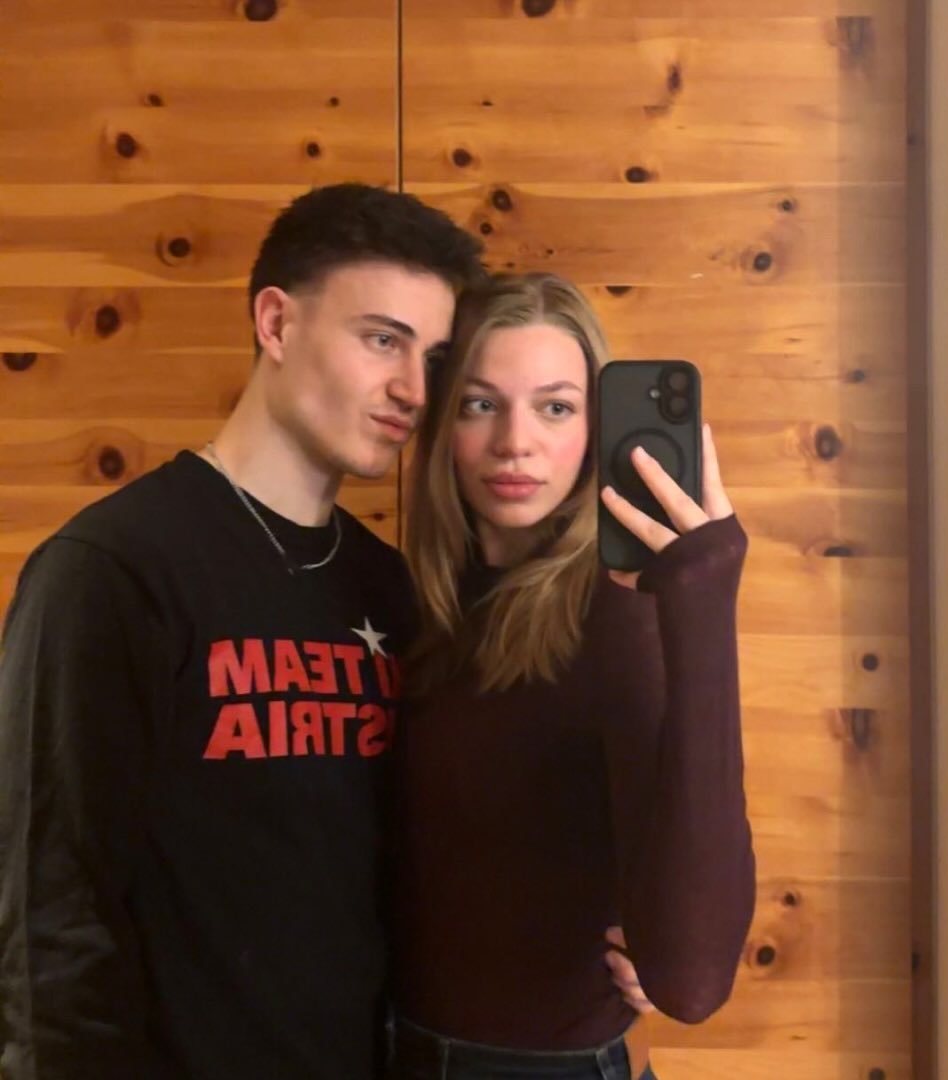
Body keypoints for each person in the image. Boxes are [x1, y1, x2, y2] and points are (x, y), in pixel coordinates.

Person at [0, 183, 484, 1079]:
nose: (413, 390)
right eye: (382, 339)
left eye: (434, 356)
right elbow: (50, 911)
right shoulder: (111, 570)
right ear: (276, 322)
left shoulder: (391, 588)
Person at [390, 272, 756, 1080]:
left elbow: (693, 981)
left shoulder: (617, 621)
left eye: (555, 408)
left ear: (597, 429)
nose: (514, 442)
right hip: (394, 1049)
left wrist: (701, 599)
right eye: (480, 403)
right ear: (443, 423)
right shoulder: (412, 607)